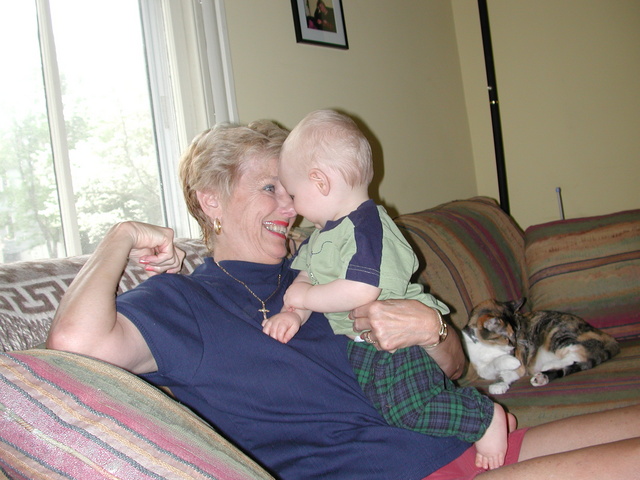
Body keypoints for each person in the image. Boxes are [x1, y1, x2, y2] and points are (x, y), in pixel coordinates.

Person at [47, 119, 640, 480]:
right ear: (211, 201)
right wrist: (120, 236)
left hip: (463, 439)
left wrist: (431, 329)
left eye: (293, 189)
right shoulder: (182, 303)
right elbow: (73, 344)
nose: (290, 207)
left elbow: (455, 370)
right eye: (270, 188)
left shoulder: (326, 265)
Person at [262, 109, 510, 469]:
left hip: (400, 343)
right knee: (388, 410)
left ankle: (483, 418)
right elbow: (306, 278)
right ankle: (465, 428)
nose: (293, 208)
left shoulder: (367, 226)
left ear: (320, 181)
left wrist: (306, 298)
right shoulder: (320, 237)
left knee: (411, 409)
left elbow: (362, 290)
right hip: (363, 344)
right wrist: (294, 314)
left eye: (295, 194)